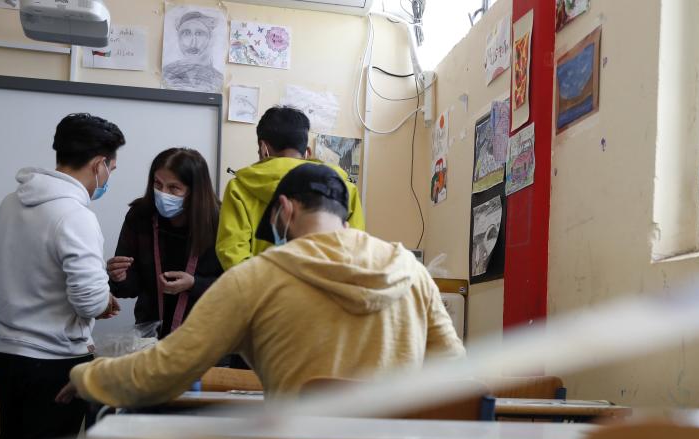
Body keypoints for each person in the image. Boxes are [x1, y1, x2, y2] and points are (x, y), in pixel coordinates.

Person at [66, 163, 463, 407]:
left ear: (285, 209)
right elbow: (458, 374)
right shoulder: (411, 273)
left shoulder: (256, 277)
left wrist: (86, 378)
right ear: (345, 214)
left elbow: (168, 369)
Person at [0, 113, 125, 439]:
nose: (108, 177)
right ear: (99, 163)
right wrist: (103, 302)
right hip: (53, 363)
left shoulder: (11, 203)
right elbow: (88, 297)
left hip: (10, 356)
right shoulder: (75, 214)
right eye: (111, 169)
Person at [215, 106, 366, 270]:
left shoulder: (239, 188)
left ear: (264, 148)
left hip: (260, 290)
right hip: (324, 289)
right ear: (307, 152)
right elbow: (354, 250)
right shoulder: (345, 188)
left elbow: (231, 252)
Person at [106, 148, 222, 340]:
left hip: (207, 335)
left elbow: (237, 285)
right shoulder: (140, 215)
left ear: (195, 191)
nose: (162, 193)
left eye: (173, 188)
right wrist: (119, 277)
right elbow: (130, 288)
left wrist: (194, 284)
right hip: (151, 334)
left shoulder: (220, 220)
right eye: (158, 184)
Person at [162, 10, 223, 93]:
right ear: (178, 39)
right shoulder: (166, 74)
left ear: (210, 39)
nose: (193, 43)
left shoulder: (218, 79)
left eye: (199, 33)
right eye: (186, 33)